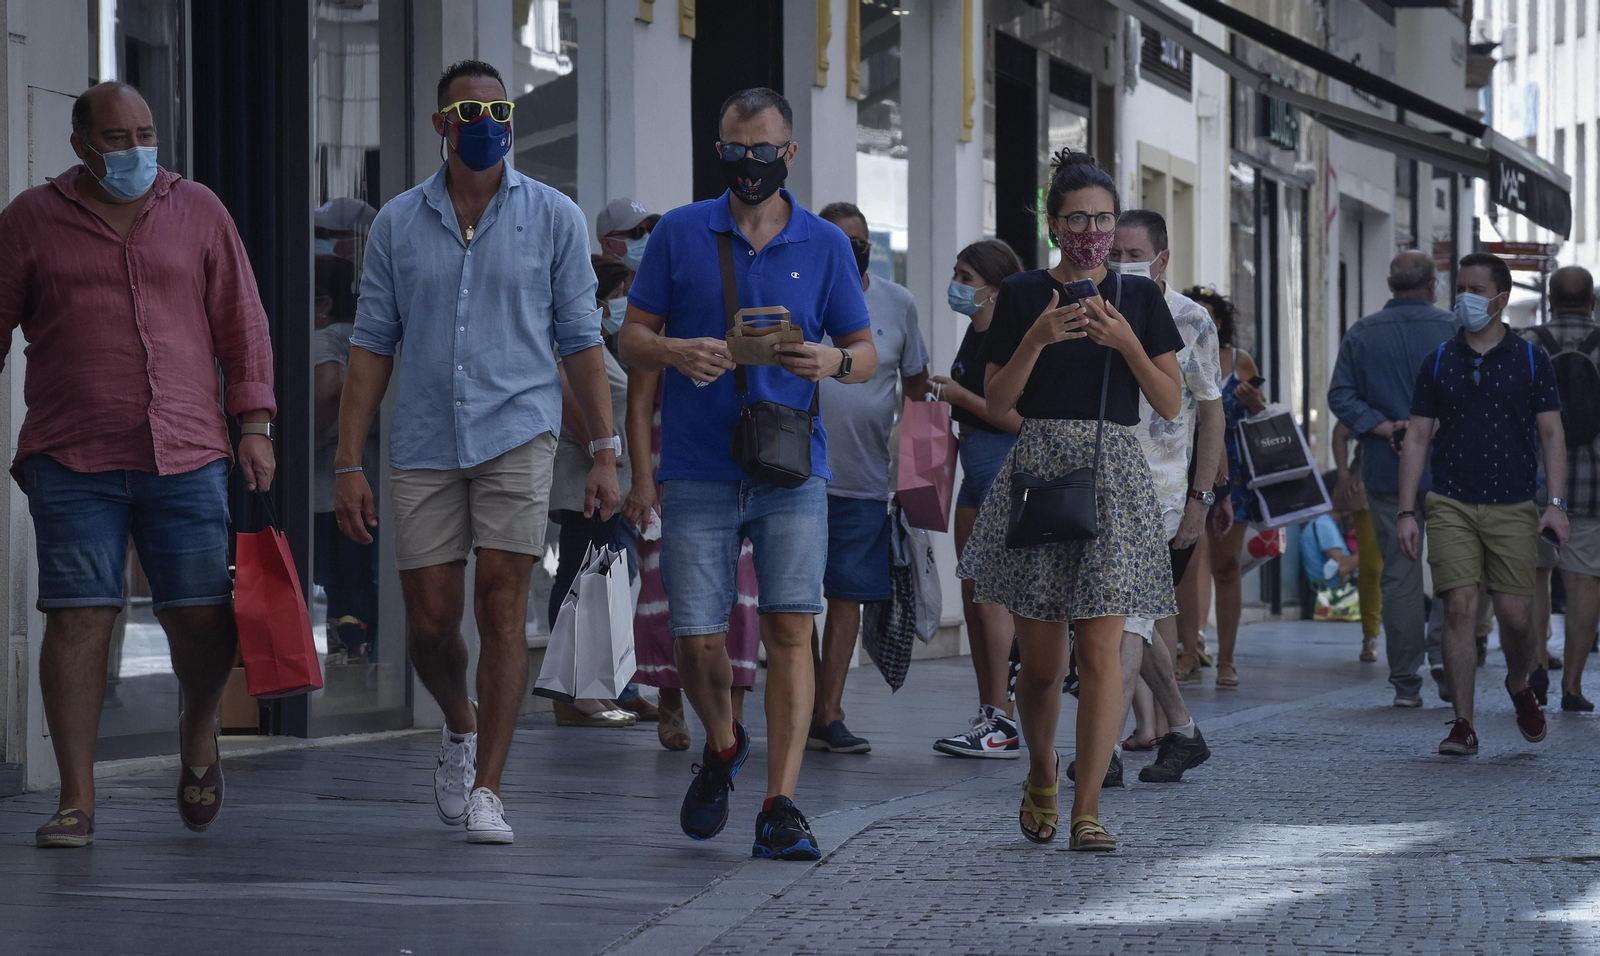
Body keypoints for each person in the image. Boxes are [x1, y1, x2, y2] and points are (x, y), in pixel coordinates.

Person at [336, 60, 620, 844]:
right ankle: (459, 722)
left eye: (498, 107)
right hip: (425, 435)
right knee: (429, 621)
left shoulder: (554, 217)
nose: (487, 119)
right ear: (441, 125)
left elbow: (581, 341)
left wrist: (605, 449)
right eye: (470, 109)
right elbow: (369, 347)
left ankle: (489, 788)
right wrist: (347, 461)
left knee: (500, 604)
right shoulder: (396, 223)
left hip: (517, 431)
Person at [0, 82, 277, 848]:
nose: (135, 150)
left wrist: (254, 423)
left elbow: (242, 324)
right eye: (117, 138)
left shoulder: (200, 211)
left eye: (145, 133)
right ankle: (77, 799)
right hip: (72, 453)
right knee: (79, 614)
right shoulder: (29, 220)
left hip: (186, 451)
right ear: (81, 145)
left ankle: (197, 730)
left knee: (197, 614)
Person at [617, 87, 878, 861]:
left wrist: (831, 359)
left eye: (763, 151)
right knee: (697, 642)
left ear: (789, 154)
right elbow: (630, 338)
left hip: (791, 466)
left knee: (790, 629)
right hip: (697, 466)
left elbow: (864, 355)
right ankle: (725, 745)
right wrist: (674, 351)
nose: (749, 164)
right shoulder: (679, 232)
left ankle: (781, 802)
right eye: (734, 150)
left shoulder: (825, 244)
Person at [957, 149, 1183, 851]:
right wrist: (1036, 337)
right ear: (1054, 223)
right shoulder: (1023, 293)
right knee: (1045, 662)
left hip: (1114, 475)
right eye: (1077, 218)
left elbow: (1171, 401)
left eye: (1103, 219)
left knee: (1101, 648)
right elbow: (996, 400)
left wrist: (1126, 343)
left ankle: (1088, 808)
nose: (1091, 230)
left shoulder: (1139, 298)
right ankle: (1040, 774)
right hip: (1041, 472)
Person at [1397, 252, 1569, 756]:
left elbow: (1553, 433)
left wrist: (1555, 503)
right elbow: (1418, 439)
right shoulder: (1440, 360)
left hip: (1514, 504)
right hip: (1450, 500)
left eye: (1476, 290)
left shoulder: (1531, 358)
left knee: (1517, 617)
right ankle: (1463, 722)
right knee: (1460, 608)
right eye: (1461, 289)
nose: (1465, 299)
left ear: (1501, 298)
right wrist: (1407, 511)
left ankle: (1519, 682)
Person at [1087, 209, 1220, 787]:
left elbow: (1211, 411)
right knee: (1127, 620)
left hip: (1161, 494)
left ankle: (1103, 753)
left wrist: (1201, 498)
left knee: (1127, 623)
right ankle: (1185, 732)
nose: (1119, 264)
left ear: (1162, 258)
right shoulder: (1091, 308)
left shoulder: (1191, 320)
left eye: (1131, 253)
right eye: (1111, 253)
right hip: (1101, 484)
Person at [808, 201, 929, 754]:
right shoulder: (798, 288)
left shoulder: (897, 302)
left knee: (847, 597)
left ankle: (828, 712)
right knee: (790, 599)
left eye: (858, 240)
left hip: (864, 479)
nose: (849, 247)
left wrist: (921, 484)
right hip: (794, 473)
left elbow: (919, 389)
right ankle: (804, 701)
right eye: (837, 238)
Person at [1329, 251, 1458, 706]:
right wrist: (1434, 425)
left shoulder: (1363, 333)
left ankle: (1406, 679)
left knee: (1399, 574)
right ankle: (1446, 650)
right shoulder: (1452, 330)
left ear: (1390, 284)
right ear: (1432, 284)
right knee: (1453, 567)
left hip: (1386, 467)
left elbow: (1340, 395)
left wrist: (1386, 427)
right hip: (1448, 467)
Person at [929, 239, 1026, 759]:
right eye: (957, 272)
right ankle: (990, 710)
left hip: (1002, 468)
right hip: (974, 469)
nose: (957, 284)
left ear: (992, 288)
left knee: (993, 596)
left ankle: (1005, 721)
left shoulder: (1009, 338)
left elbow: (1016, 418)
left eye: (966, 276)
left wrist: (959, 397)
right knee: (973, 593)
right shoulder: (976, 332)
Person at [542, 254, 643, 729]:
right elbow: (565, 391)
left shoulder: (599, 345)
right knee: (584, 578)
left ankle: (588, 688)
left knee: (596, 578)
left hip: (598, 476)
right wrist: (602, 449)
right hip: (587, 478)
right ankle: (576, 689)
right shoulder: (578, 345)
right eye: (621, 293)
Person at [1517, 265, 1600, 712]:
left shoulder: (1526, 345)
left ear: (1550, 300)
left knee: (1533, 576)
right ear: (1592, 302)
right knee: (1585, 580)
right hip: (1592, 486)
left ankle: (1534, 666)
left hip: (1532, 481)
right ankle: (1573, 686)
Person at [1182, 287, 1265, 688]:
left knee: (1226, 567)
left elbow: (1262, 412)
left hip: (1234, 473)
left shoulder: (1238, 361)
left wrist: (1253, 402)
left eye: (1212, 316)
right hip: (1186, 465)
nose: (1206, 323)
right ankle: (1188, 650)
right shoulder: (1174, 352)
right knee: (1185, 565)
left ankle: (1227, 659)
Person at [1332, 421, 1383, 661]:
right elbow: (1340, 433)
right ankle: (1370, 634)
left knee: (1404, 564)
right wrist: (1344, 475)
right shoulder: (1368, 390)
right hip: (1365, 488)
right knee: (1372, 565)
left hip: (1414, 485)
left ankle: (1406, 639)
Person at [1300, 509, 1358, 592]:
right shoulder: (1324, 523)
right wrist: (1369, 549)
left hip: (1337, 593)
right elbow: (1341, 567)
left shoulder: (1329, 523)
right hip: (1332, 596)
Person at [597, 197, 660, 272]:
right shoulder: (591, 282)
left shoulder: (661, 279)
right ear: (607, 244)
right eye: (637, 232)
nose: (647, 237)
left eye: (651, 229)